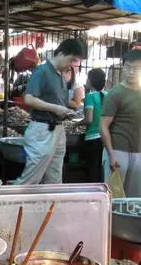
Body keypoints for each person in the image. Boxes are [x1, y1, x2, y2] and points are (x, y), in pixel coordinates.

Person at [12, 38, 85, 185]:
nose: (72, 65)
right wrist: (56, 108)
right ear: (62, 53)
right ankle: (13, 205)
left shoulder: (61, 75)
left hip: (58, 129)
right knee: (31, 179)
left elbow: (59, 100)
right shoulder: (43, 71)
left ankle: (50, 207)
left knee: (55, 178)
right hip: (42, 129)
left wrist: (67, 110)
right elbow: (29, 99)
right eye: (72, 60)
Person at [101, 49, 141, 197]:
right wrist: (111, 154)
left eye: (136, 68)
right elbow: (103, 125)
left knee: (135, 201)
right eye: (128, 67)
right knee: (114, 199)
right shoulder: (115, 93)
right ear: (123, 68)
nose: (131, 71)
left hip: (138, 153)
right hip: (118, 152)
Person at [82, 68, 107, 183]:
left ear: (91, 81)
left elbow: (89, 119)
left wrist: (76, 123)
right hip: (105, 137)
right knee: (101, 170)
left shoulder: (90, 96)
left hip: (92, 139)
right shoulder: (107, 95)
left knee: (91, 171)